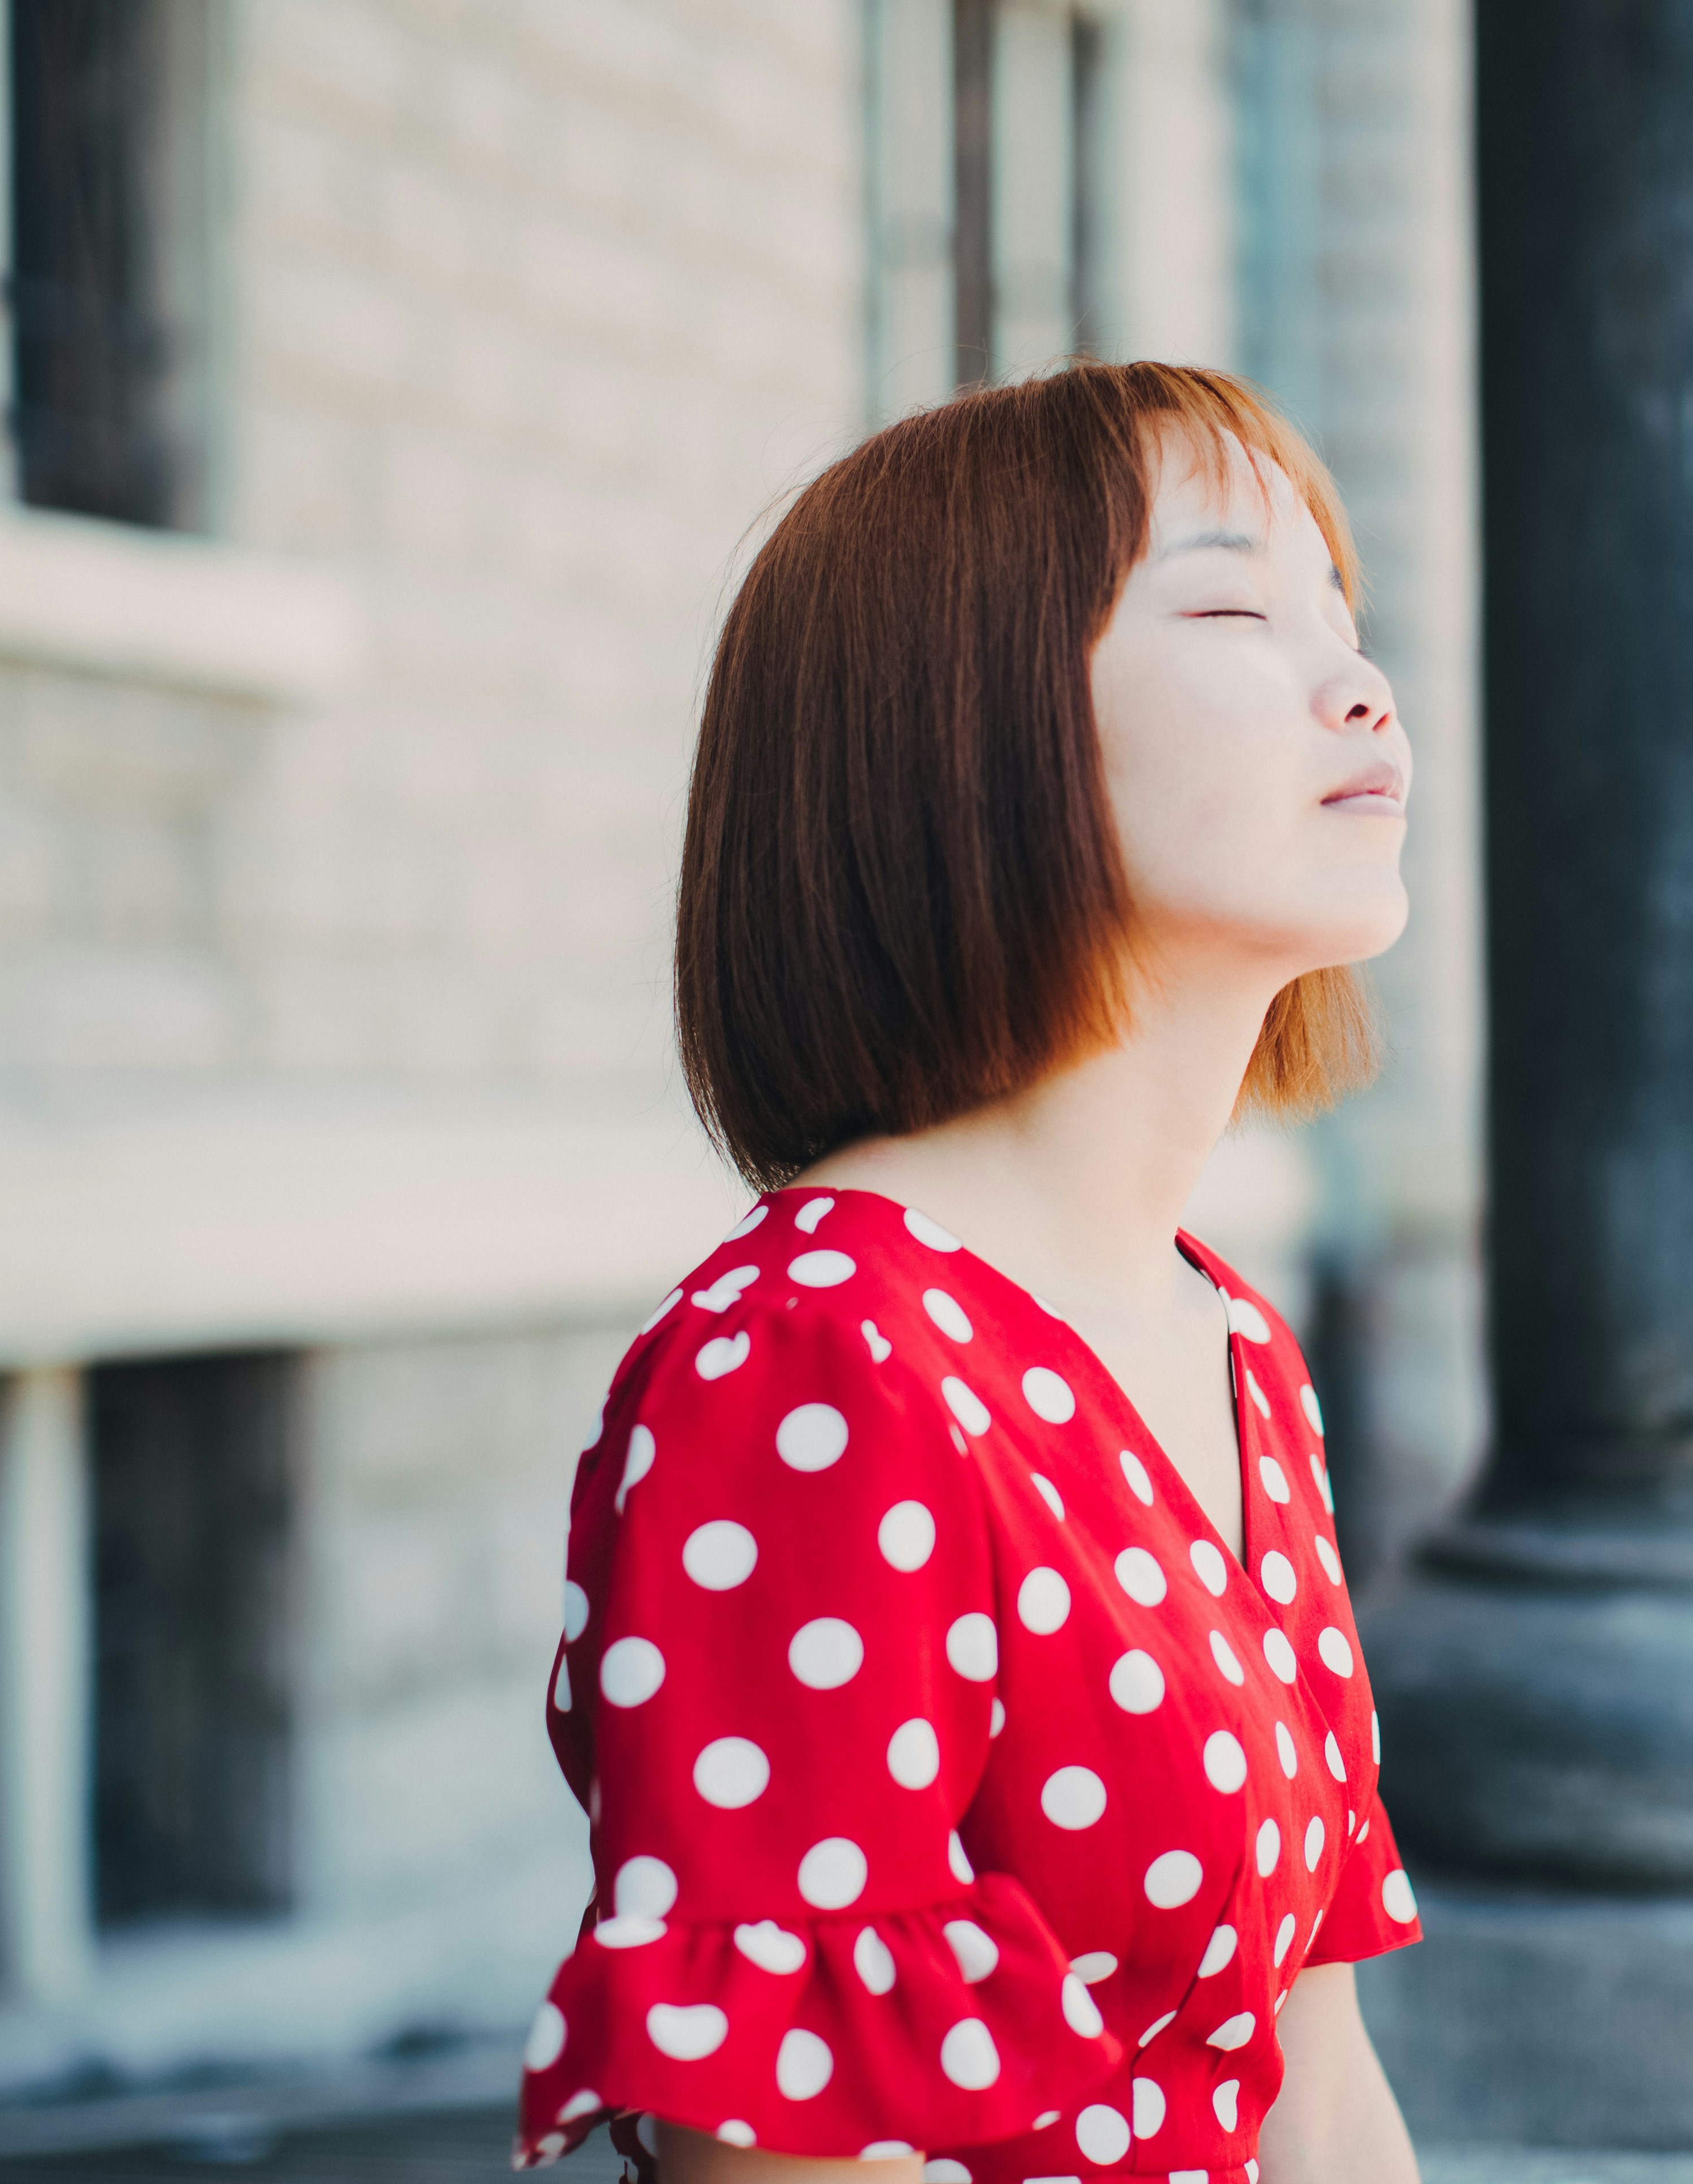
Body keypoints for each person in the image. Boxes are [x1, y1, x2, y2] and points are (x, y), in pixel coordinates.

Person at [514, 361, 1425, 2184]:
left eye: (1345, 612)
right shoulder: (816, 1364)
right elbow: (775, 2155)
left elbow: (1307, 2084)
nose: (1361, 682)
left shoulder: (1236, 1343)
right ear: (970, 730)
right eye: (1240, 605)